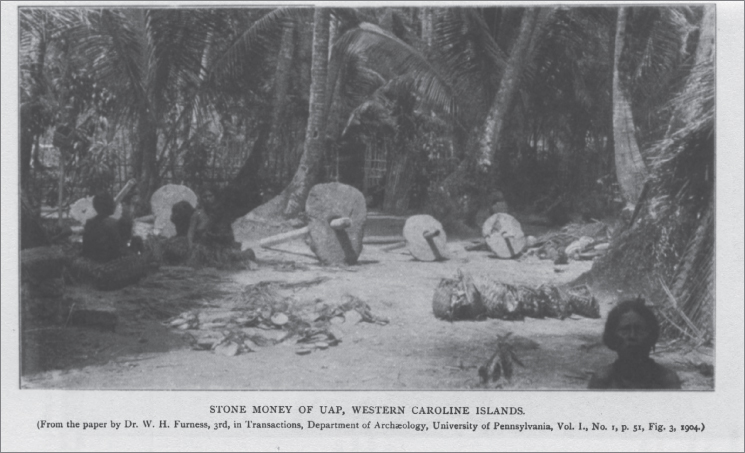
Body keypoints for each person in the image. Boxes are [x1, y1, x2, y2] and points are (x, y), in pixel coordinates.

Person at [588, 297, 681, 389]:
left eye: (639, 330)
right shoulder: (603, 381)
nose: (632, 336)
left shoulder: (666, 381)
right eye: (625, 330)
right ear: (613, 336)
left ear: (651, 336)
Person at [81, 192, 129, 263]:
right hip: (108, 261)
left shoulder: (89, 223)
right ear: (110, 206)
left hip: (92, 259)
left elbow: (85, 247)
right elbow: (119, 248)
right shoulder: (113, 224)